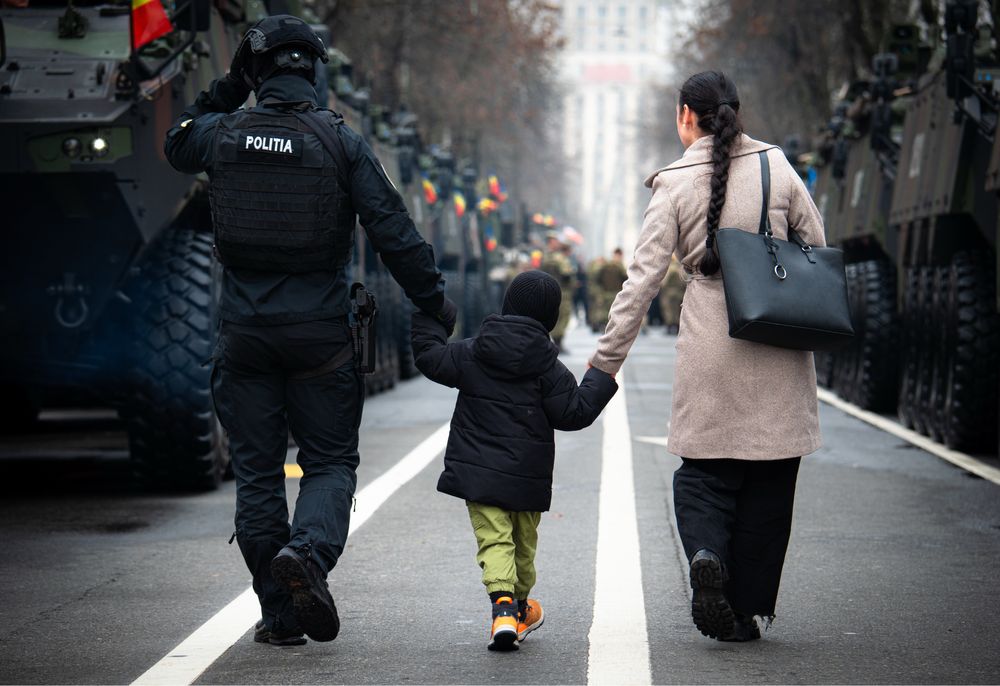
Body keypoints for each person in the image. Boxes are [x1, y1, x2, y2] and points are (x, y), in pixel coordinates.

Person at [163, 15, 456, 646]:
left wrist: (226, 88)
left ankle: (279, 615)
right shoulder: (340, 142)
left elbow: (174, 140)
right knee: (327, 463)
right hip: (320, 334)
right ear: (316, 72)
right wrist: (436, 303)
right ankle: (309, 557)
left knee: (259, 473)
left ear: (256, 71)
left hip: (244, 336)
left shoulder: (220, 134)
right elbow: (395, 233)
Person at [589, 71, 825, 642]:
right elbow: (816, 247)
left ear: (687, 117)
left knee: (703, 474)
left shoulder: (673, 183)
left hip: (710, 345)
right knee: (770, 482)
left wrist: (603, 368)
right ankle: (743, 611)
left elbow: (642, 283)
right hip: (777, 340)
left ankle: (704, 550)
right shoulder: (777, 165)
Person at [411, 270, 617, 651]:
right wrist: (601, 376)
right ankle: (517, 607)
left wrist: (431, 315)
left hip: (478, 473)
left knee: (495, 540)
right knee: (524, 543)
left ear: (506, 306)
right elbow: (573, 413)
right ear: (550, 319)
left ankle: (505, 608)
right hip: (527, 476)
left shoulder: (474, 351)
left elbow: (429, 356)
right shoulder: (548, 368)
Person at [539, 233, 576, 353]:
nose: (557, 243)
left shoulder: (544, 256)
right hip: (562, 291)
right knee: (562, 317)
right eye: (555, 240)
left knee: (553, 316)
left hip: (548, 289)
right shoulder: (558, 258)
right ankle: (558, 342)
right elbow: (566, 274)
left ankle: (554, 342)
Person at [659, 253, 687, 335]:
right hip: (679, 293)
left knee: (668, 310)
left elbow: (663, 283)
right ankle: (678, 327)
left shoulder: (668, 268)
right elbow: (684, 281)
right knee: (678, 310)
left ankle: (669, 327)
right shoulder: (680, 268)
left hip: (668, 293)